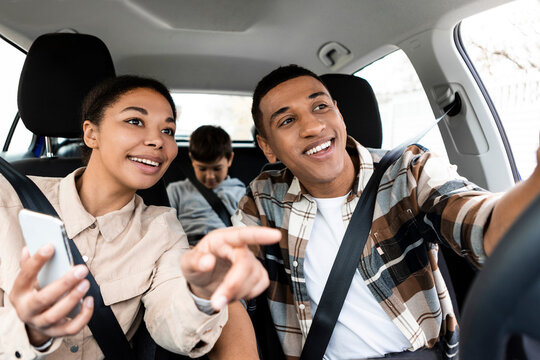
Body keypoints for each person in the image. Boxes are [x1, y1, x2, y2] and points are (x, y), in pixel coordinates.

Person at [231, 65, 540, 359]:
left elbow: (483, 223)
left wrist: (535, 187)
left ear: (338, 111)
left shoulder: (408, 172)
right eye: (287, 121)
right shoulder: (263, 198)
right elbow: (229, 288)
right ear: (266, 146)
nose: (313, 127)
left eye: (321, 106)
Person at [0, 75, 280, 359]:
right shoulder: (6, 199)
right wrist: (28, 331)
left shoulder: (162, 228)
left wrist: (201, 290)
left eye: (168, 130)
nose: (158, 140)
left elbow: (172, 327)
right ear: (91, 134)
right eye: (135, 121)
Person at [167, 125, 245, 245]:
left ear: (230, 160)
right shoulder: (176, 191)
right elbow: (167, 228)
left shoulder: (240, 192)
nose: (210, 176)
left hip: (225, 247)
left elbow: (243, 231)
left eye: (217, 168)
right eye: (202, 169)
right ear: (192, 160)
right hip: (186, 247)